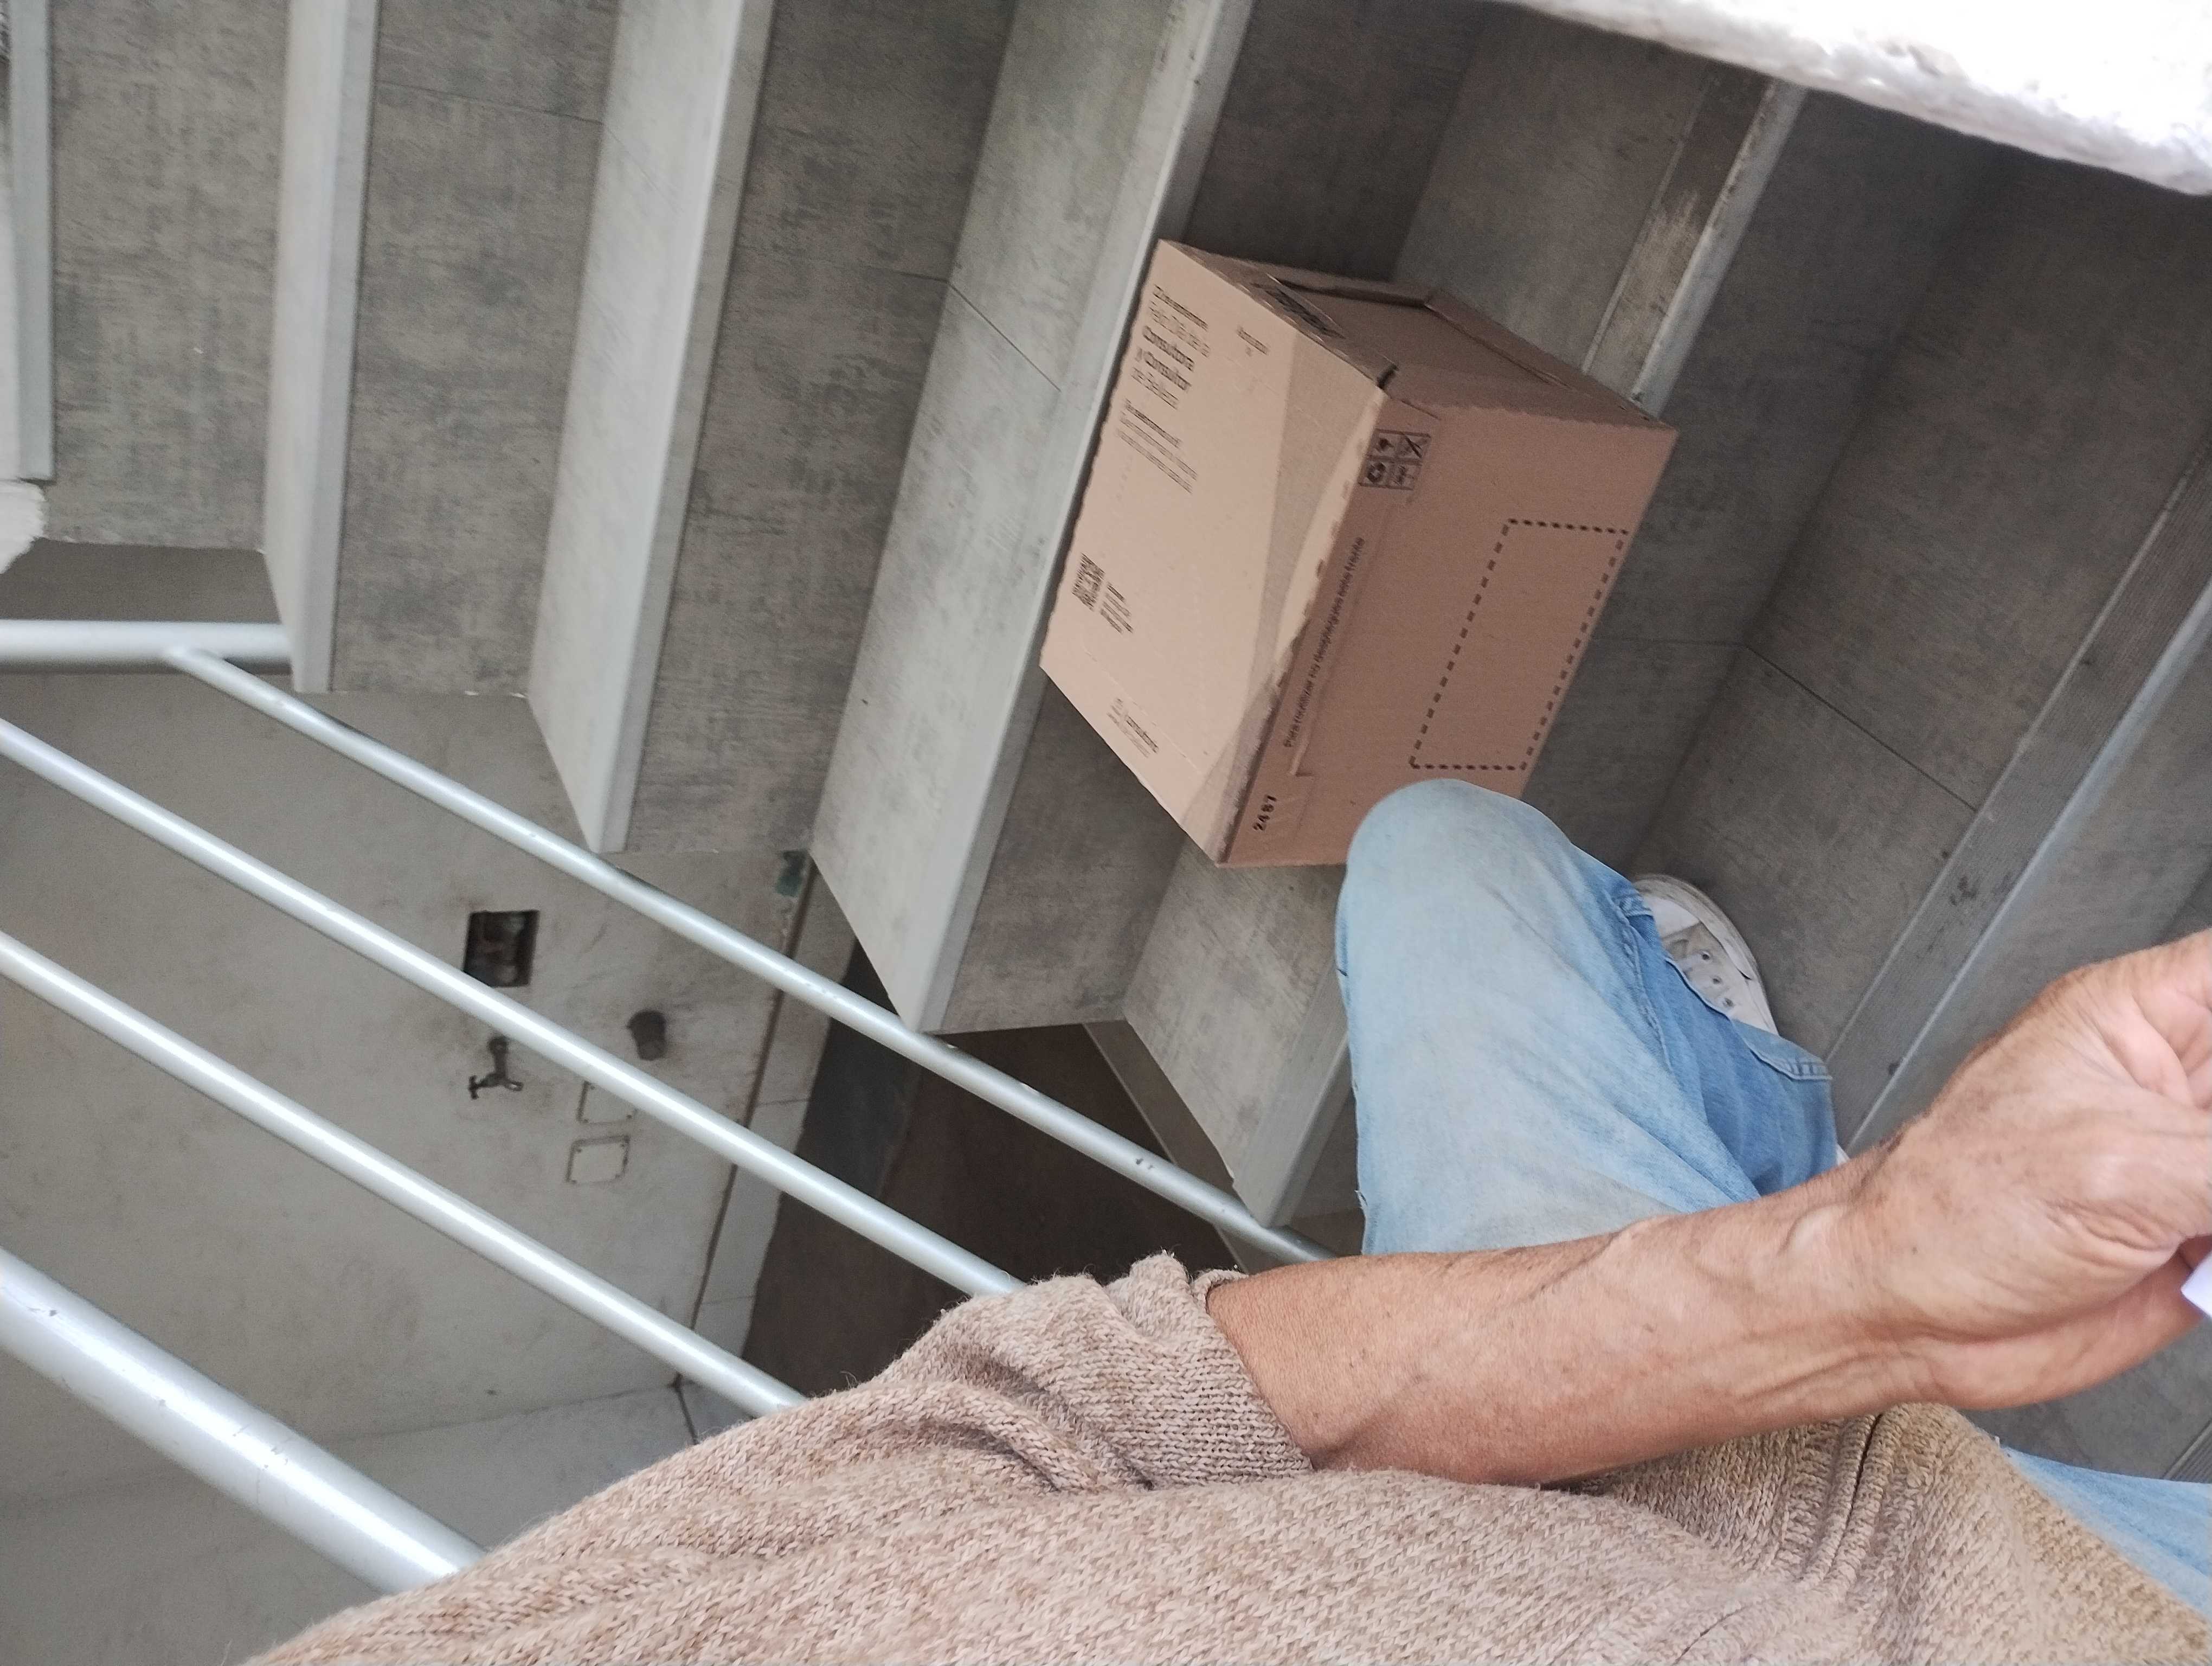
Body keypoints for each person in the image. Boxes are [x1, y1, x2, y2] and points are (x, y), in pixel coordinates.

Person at [259, 781, 2209, 1663]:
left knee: (1444, 847)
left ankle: (1768, 1147)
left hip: (1617, 1450)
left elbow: (1086, 1403)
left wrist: (1865, 1268)